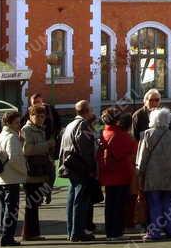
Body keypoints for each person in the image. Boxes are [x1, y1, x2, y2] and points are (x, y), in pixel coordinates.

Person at [136, 107, 171, 241]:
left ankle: (154, 232)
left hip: (153, 176)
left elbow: (142, 158)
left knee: (154, 204)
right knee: (170, 204)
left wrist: (139, 173)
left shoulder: (147, 135)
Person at [59, 100, 98, 242]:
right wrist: (91, 167)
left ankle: (72, 231)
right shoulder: (83, 125)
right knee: (80, 201)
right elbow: (85, 148)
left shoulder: (70, 124)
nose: (92, 112)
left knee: (72, 200)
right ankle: (77, 232)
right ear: (86, 111)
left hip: (70, 165)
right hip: (80, 167)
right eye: (91, 110)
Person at [98, 108, 137, 239]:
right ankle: (117, 231)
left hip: (107, 174)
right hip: (122, 174)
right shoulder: (122, 135)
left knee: (109, 204)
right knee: (120, 204)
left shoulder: (102, 133)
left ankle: (110, 231)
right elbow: (133, 148)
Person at [21, 105, 55, 242]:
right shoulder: (27, 130)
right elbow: (27, 150)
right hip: (31, 172)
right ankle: (29, 233)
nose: (40, 119)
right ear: (30, 116)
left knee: (35, 205)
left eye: (42, 116)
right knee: (31, 205)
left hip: (40, 171)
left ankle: (33, 233)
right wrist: (47, 145)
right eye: (37, 116)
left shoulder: (40, 129)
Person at [0, 111, 26, 246]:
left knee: (4, 208)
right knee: (11, 209)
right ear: (9, 123)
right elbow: (14, 159)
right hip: (11, 178)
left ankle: (4, 235)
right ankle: (8, 237)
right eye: (17, 122)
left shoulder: (2, 135)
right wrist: (24, 172)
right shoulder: (11, 138)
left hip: (1, 178)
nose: (19, 125)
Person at [22, 93, 62, 160]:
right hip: (36, 142)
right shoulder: (29, 112)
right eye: (34, 103)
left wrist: (54, 137)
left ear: (42, 101)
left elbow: (58, 123)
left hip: (50, 140)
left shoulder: (50, 109)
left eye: (38, 102)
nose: (40, 119)